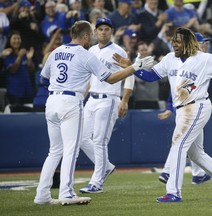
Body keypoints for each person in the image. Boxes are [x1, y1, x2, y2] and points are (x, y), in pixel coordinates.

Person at [114, 27, 212, 202]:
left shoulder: (204, 59)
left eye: (179, 41)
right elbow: (151, 77)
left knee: (178, 144)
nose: (175, 44)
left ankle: (173, 191)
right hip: (182, 109)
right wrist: (131, 67)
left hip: (197, 106)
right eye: (174, 41)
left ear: (189, 42)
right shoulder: (169, 58)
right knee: (196, 154)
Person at [34, 20, 154, 205]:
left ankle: (42, 194)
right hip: (71, 101)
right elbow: (111, 78)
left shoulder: (56, 51)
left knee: (54, 151)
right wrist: (135, 67)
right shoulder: (86, 54)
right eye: (91, 33)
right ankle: (66, 192)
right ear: (86, 35)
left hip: (52, 101)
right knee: (70, 150)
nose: (94, 36)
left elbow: (43, 78)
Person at [79, 17, 134, 194]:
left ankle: (97, 182)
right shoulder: (91, 50)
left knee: (100, 141)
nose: (103, 32)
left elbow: (130, 75)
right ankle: (106, 167)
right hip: (92, 99)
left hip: (109, 98)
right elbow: (90, 78)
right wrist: (82, 97)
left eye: (107, 29)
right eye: (100, 29)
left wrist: (125, 100)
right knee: (82, 138)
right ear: (95, 32)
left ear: (111, 32)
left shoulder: (118, 51)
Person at [158, 32, 212, 185]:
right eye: (202, 42)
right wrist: (170, 107)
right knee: (181, 143)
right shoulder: (183, 61)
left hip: (193, 106)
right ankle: (168, 172)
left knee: (192, 146)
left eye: (206, 42)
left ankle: (198, 174)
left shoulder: (203, 60)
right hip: (186, 108)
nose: (205, 45)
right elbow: (176, 89)